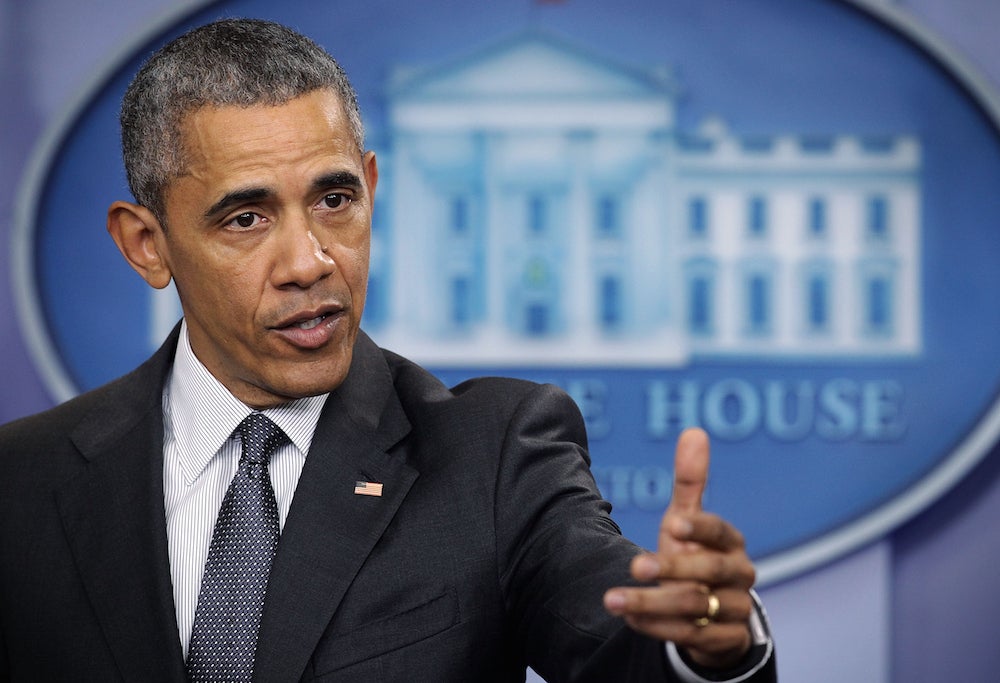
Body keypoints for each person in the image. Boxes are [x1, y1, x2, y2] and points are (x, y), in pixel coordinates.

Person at [0, 18, 775, 683]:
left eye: (335, 200)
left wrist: (706, 645)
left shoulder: (495, 455)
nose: (309, 260)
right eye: (246, 218)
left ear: (371, 186)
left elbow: (618, 634)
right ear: (147, 244)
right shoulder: (21, 483)